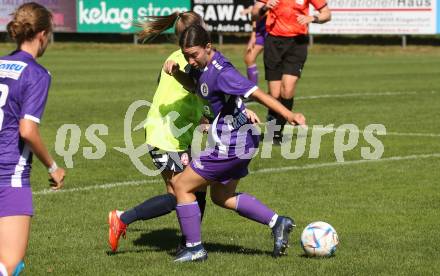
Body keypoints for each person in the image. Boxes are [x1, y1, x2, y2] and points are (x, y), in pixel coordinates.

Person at [107, 11, 261, 253]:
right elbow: (203, 94)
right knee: (179, 191)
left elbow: (198, 98)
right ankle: (123, 218)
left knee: (195, 190)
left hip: (177, 135)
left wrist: (232, 112)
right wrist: (237, 113)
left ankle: (188, 245)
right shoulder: (190, 62)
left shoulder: (182, 59)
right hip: (165, 135)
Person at [163, 24, 306, 262]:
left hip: (231, 144)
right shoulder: (201, 66)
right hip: (242, 141)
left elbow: (258, 94)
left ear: (208, 47)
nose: (191, 59)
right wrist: (177, 71)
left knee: (181, 186)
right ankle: (278, 222)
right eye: (186, 55)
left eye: (194, 54)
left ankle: (195, 248)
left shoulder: (222, 72)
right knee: (222, 196)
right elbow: (193, 84)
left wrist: (288, 115)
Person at [0, 2, 65, 275]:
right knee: (10, 266)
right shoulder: (37, 74)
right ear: (42, 35)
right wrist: (53, 167)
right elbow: (27, 130)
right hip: (9, 177)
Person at [252, 0, 331, 143]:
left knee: (287, 89)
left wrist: (313, 18)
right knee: (275, 94)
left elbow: (327, 14)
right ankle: (272, 128)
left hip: (297, 43)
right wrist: (264, 8)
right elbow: (254, 15)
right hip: (274, 43)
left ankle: (276, 132)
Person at [243, 5, 268, 86]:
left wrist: (252, 10)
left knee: (274, 61)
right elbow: (256, 15)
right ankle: (253, 90)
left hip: (271, 29)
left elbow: (266, 12)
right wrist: (253, 36)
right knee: (249, 58)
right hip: (260, 30)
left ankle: (275, 93)